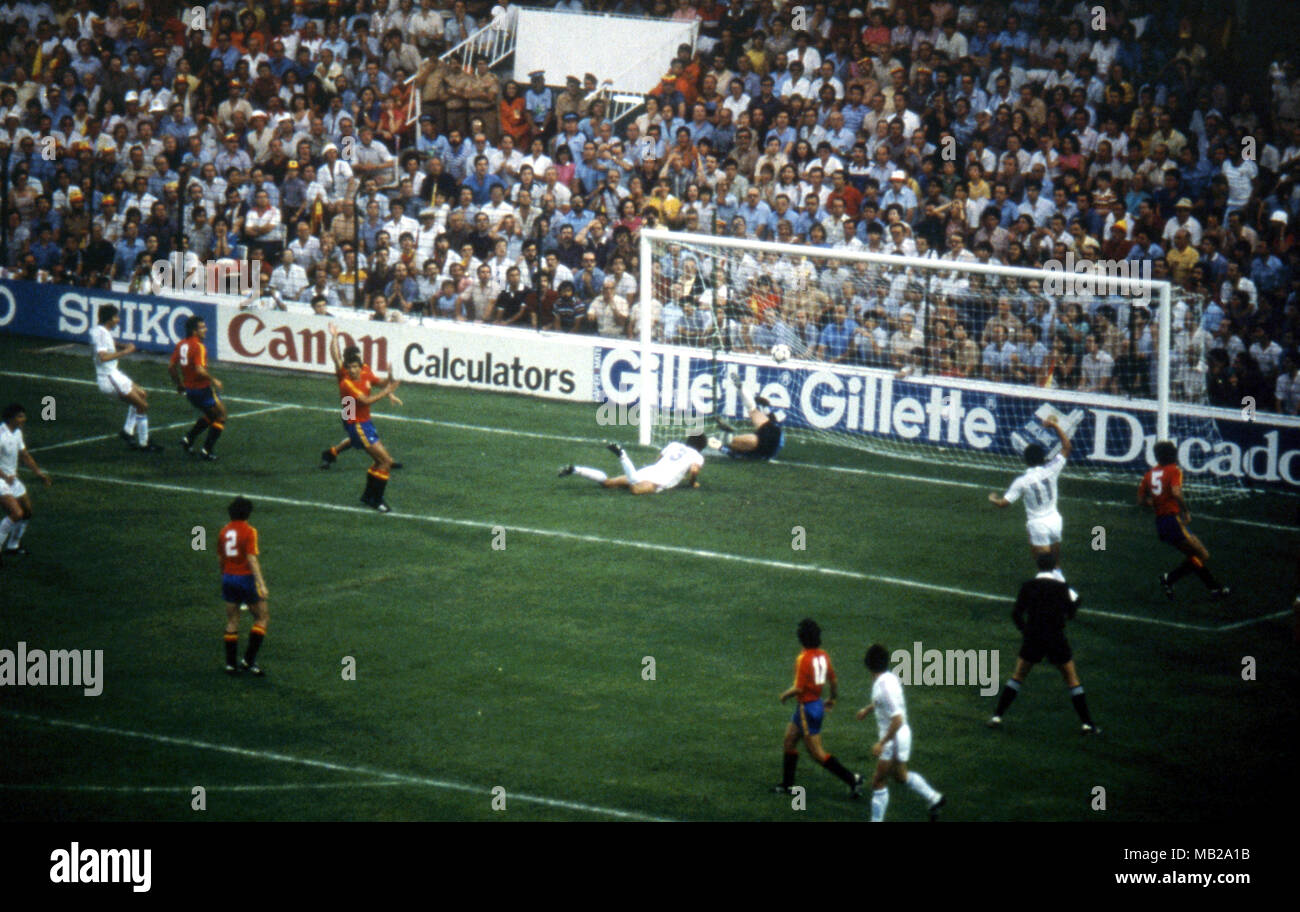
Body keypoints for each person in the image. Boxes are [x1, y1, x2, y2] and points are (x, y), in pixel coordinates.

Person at [987, 552, 1101, 734]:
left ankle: (997, 716)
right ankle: (1087, 723)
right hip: (1056, 637)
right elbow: (1072, 609)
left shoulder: (1028, 586)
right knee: (1071, 680)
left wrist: (1025, 631)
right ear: (1054, 567)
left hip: (1033, 637)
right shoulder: (1062, 587)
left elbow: (1016, 614)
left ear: (1038, 566)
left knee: (1018, 677)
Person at [771, 618, 863, 798]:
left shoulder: (803, 658)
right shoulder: (823, 655)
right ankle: (787, 786)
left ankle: (853, 779)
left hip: (807, 708)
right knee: (789, 741)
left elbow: (798, 688)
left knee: (816, 753)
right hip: (814, 705)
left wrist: (784, 695)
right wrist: (832, 698)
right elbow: (834, 680)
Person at [855, 643, 945, 821]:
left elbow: (897, 718)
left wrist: (882, 743)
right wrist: (868, 709)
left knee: (878, 781)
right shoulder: (890, 678)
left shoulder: (882, 686)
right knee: (901, 776)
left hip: (894, 737)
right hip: (902, 735)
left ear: (868, 664)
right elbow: (885, 703)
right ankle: (934, 798)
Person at [1138, 440, 1229, 599]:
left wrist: (1156, 502)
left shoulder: (1149, 474)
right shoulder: (1174, 470)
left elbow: (1141, 501)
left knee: (1195, 555)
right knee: (1202, 554)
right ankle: (1170, 579)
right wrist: (1186, 511)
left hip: (1161, 523)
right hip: (1173, 521)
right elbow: (1176, 493)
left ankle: (1214, 588)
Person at [327, 324, 402, 512]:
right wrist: (335, 336)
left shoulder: (366, 370)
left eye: (356, 363)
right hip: (352, 412)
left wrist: (389, 384)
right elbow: (335, 356)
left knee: (375, 453)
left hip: (362, 418)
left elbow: (378, 383)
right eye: (350, 364)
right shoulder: (344, 375)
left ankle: (338, 450)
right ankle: (375, 499)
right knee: (351, 419)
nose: (353, 367)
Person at [987, 415, 1070, 579]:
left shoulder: (1022, 481)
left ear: (1026, 461)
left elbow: (1004, 503)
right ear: (1043, 457)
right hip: (1055, 519)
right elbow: (1067, 447)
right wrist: (1054, 426)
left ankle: (1060, 597)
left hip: (1038, 524)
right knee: (1056, 565)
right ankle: (1064, 591)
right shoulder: (1052, 469)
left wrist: (993, 499)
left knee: (1045, 570)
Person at [91, 304, 162, 452]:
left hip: (114, 374)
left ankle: (127, 431)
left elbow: (109, 344)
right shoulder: (101, 333)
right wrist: (126, 352)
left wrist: (123, 345)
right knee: (142, 405)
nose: (118, 320)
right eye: (116, 317)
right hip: (109, 378)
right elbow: (102, 357)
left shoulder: (101, 331)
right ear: (109, 319)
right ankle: (144, 443)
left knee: (142, 394)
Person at [218, 496, 269, 676]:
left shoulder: (224, 531)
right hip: (246, 579)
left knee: (232, 620)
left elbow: (221, 558)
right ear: (248, 513)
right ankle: (248, 660)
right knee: (262, 617)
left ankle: (230, 664)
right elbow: (251, 558)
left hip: (228, 578)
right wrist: (261, 584)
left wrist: (225, 576)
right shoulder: (249, 531)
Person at [167, 316, 227, 460]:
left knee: (212, 415)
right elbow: (199, 370)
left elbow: (171, 367)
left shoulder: (181, 344)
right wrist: (214, 380)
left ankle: (188, 439)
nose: (205, 329)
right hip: (202, 389)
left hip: (190, 390)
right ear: (194, 331)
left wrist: (179, 384)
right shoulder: (199, 346)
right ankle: (207, 450)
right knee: (221, 416)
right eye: (202, 327)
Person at [0, 403, 53, 564]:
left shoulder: (17, 433)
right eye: (21, 416)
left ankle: (13, 545)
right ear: (11, 418)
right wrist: (4, 475)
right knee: (16, 513)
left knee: (27, 512)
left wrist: (39, 473)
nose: (24, 419)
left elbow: (24, 455)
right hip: (1, 479)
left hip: (12, 479)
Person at [558, 438, 706, 495]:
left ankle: (576, 469)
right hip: (659, 480)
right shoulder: (697, 456)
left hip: (650, 470)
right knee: (635, 489)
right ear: (701, 447)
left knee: (608, 483)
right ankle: (623, 456)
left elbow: (659, 458)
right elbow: (693, 470)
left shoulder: (675, 445)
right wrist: (692, 482)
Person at [714, 370, 784, 459]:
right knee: (752, 410)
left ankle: (727, 434)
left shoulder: (751, 450)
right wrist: (767, 409)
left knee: (731, 442)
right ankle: (740, 388)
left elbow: (735, 455)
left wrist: (720, 447)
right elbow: (734, 454)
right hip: (774, 437)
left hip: (767, 445)